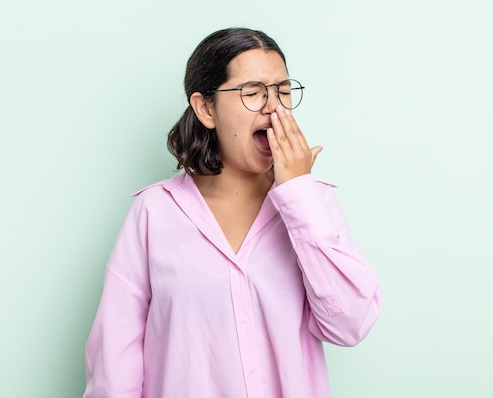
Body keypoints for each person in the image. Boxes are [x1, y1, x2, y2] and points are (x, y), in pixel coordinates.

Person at [83, 27, 381, 398]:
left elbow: (349, 326)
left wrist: (298, 195)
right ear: (206, 109)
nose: (275, 107)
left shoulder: (317, 205)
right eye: (253, 93)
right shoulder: (153, 213)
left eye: (283, 91)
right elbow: (115, 365)